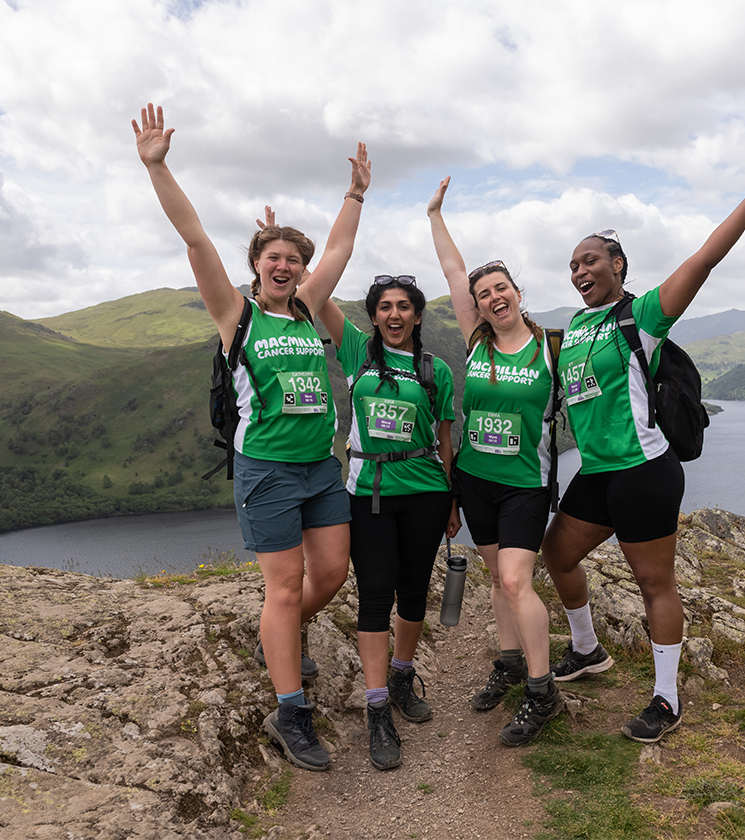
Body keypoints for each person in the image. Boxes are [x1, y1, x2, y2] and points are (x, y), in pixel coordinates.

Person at [135, 103, 369, 772]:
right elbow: (196, 240)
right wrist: (158, 167)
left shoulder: (306, 312)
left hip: (321, 469)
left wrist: (353, 194)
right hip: (265, 469)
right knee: (285, 587)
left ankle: (280, 640)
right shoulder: (236, 316)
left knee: (330, 572)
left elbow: (342, 249)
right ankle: (290, 709)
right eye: (275, 256)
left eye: (295, 258)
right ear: (257, 263)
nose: (287, 265)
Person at [537, 128, 745, 744]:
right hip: (597, 472)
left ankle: (667, 698)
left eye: (589, 260)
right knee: (557, 556)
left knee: (653, 583)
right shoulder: (574, 330)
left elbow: (703, 259)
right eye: (572, 265)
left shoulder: (638, 318)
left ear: (617, 265)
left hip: (644, 470)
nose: (579, 270)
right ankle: (588, 650)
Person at [427, 179, 570, 747]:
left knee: (515, 579)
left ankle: (543, 692)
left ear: (518, 291)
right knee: (496, 577)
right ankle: (510, 664)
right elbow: (450, 270)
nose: (493, 298)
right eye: (484, 293)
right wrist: (435, 214)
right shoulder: (475, 341)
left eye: (501, 287)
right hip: (475, 481)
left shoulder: (552, 348)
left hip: (524, 487)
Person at [339, 271, 458, 771]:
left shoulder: (436, 370)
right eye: (385, 306)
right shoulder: (356, 354)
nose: (394, 314)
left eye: (404, 306)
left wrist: (452, 501)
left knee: (413, 591)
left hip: (427, 490)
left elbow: (445, 439)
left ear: (416, 314)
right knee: (375, 594)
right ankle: (377, 708)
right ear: (372, 317)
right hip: (370, 492)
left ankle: (403, 675)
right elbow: (315, 295)